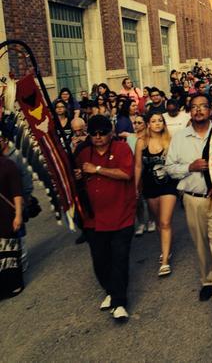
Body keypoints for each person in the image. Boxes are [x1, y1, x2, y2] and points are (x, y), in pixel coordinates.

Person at [165, 93, 212, 316]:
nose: (199, 110)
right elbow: (169, 167)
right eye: (194, 107)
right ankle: (207, 280)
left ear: (211, 110)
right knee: (201, 244)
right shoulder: (180, 137)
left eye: (203, 106)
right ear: (189, 111)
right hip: (193, 199)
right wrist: (189, 167)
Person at [74, 115, 136, 322]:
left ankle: (120, 302)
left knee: (119, 258)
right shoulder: (83, 153)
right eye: (94, 133)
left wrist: (97, 169)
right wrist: (77, 176)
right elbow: (75, 180)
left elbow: (126, 174)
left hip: (121, 215)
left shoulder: (122, 148)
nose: (98, 137)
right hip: (94, 218)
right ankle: (110, 290)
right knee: (100, 260)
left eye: (102, 133)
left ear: (110, 132)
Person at [135, 112, 178, 277]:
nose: (157, 123)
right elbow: (138, 166)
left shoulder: (170, 140)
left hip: (169, 185)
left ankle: (165, 260)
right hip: (150, 186)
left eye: (160, 120)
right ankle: (166, 247)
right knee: (159, 223)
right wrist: (135, 188)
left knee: (165, 221)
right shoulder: (141, 142)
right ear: (148, 124)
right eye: (153, 121)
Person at [0, 141, 24, 299]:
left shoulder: (7, 165)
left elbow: (17, 192)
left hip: (6, 215)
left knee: (9, 251)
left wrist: (18, 215)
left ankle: (14, 284)